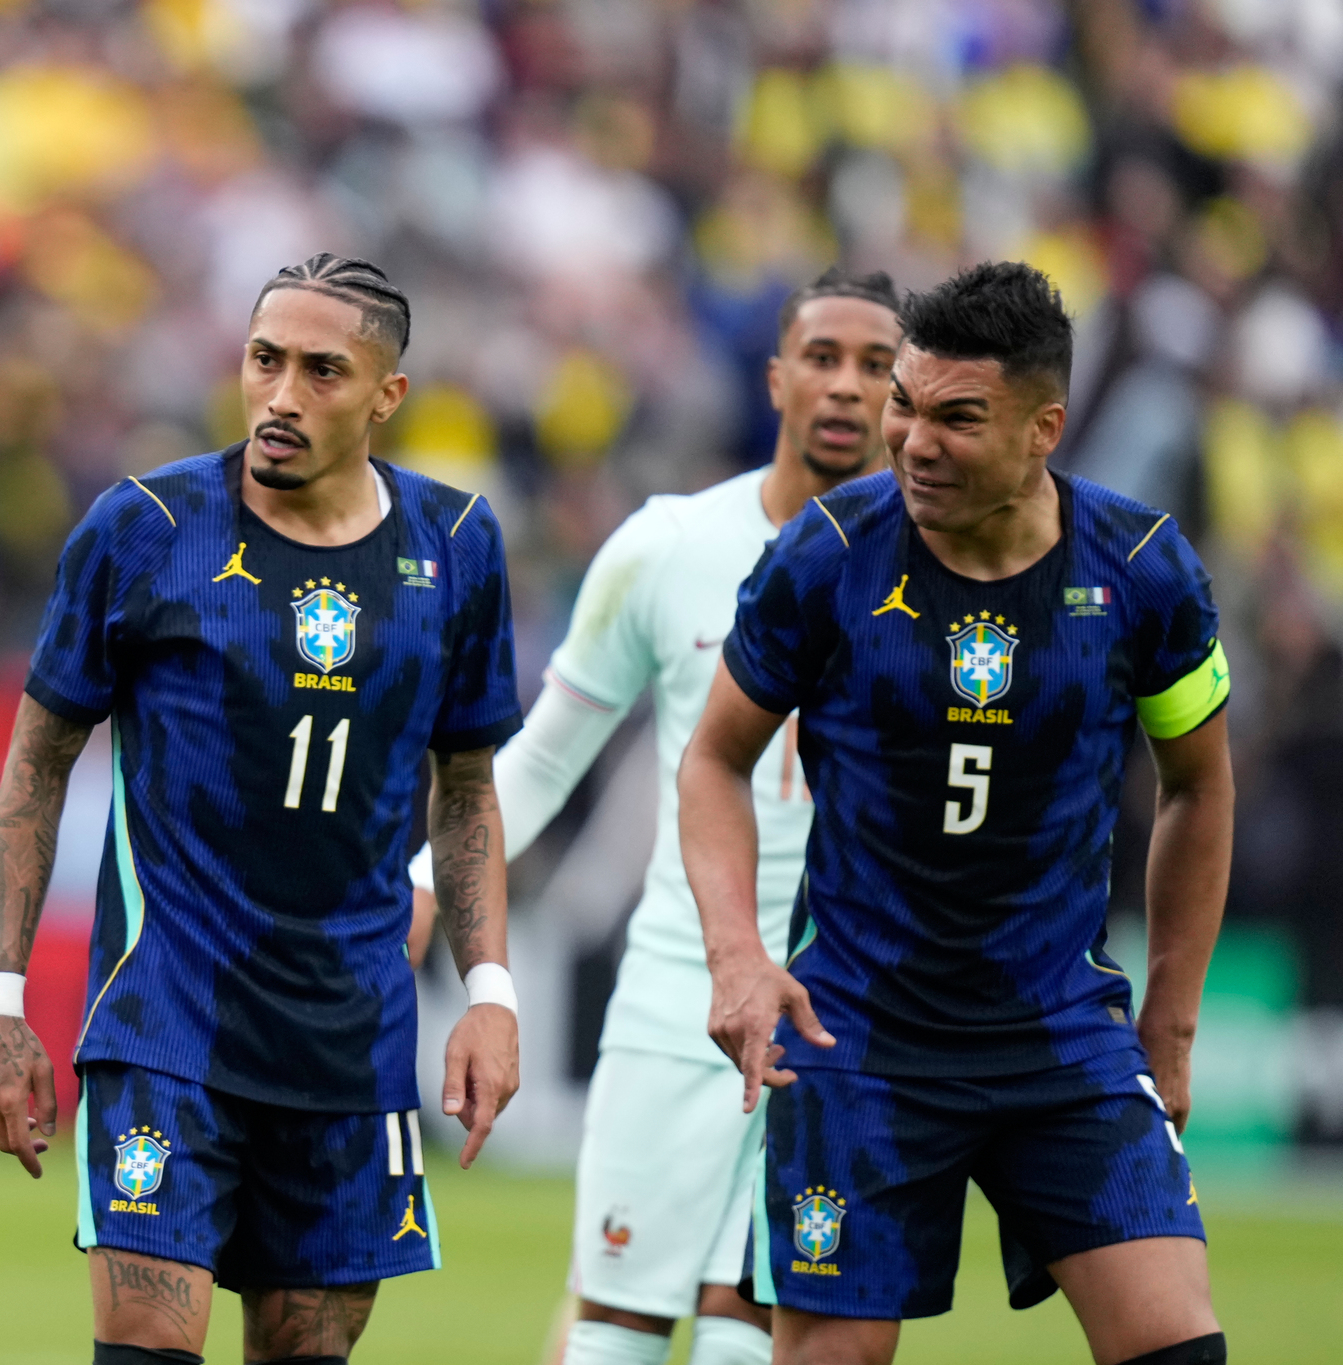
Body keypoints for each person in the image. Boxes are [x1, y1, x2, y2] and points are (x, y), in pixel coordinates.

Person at [0, 253, 524, 1365]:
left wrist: (489, 992)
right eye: (264, 360)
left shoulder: (457, 546)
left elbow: (464, 793)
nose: (279, 395)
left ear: (386, 395)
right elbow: (33, 766)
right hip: (165, 1021)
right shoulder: (143, 527)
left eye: (323, 371)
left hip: (351, 1041)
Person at [680, 262, 1232, 1365]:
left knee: (1179, 1349)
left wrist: (1167, 1024)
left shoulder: (1140, 570)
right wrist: (736, 957)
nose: (912, 440)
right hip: (855, 1042)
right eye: (905, 404)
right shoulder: (827, 555)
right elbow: (711, 761)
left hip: (1060, 1033)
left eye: (955, 417)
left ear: (1043, 428)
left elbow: (1198, 783)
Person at [405, 267, 902, 1365]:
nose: (844, 387)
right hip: (680, 984)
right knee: (615, 1320)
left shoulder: (934, 568)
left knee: (749, 1329)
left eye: (876, 366)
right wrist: (425, 888)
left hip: (849, 1002)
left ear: (906, 396)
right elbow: (539, 761)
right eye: (821, 357)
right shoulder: (666, 547)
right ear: (774, 377)